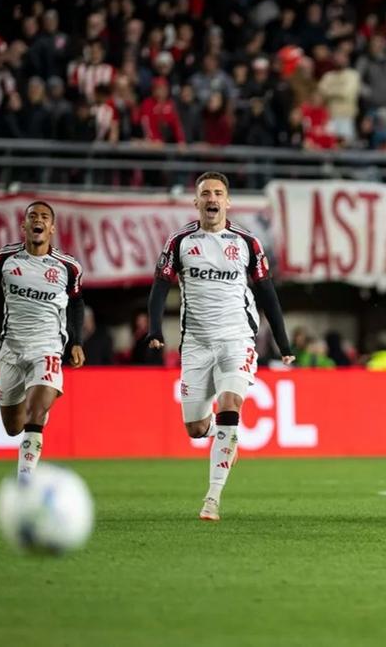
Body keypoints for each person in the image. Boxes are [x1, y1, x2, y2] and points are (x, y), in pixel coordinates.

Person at [146, 172, 295, 521]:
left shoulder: (246, 242)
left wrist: (282, 341)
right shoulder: (179, 241)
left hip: (237, 339)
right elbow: (159, 287)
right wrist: (155, 328)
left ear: (227, 202)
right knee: (196, 429)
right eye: (205, 194)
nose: (212, 199)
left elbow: (266, 294)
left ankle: (212, 497)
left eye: (218, 194)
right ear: (196, 202)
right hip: (196, 343)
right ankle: (222, 433)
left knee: (230, 406)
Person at [0, 202, 85, 481]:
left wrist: (76, 341)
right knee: (13, 427)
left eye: (44, 217)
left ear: (51, 228)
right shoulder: (4, 259)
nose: (37, 220)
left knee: (35, 413)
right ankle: (34, 419)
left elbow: (76, 304)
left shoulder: (68, 266)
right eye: (32, 216)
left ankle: (25, 481)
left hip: (48, 347)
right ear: (23, 226)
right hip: (12, 350)